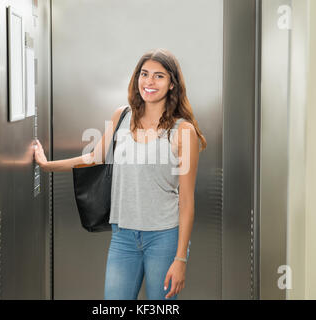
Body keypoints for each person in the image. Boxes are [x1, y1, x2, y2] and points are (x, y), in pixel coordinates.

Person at [34, 48, 207, 300]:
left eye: (159, 76)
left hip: (164, 237)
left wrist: (180, 259)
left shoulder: (183, 132)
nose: (149, 81)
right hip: (123, 235)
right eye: (144, 74)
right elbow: (94, 157)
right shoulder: (122, 116)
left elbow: (187, 201)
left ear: (172, 84)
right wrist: (47, 165)